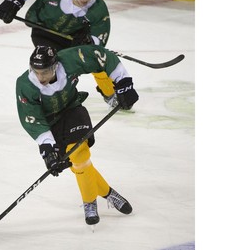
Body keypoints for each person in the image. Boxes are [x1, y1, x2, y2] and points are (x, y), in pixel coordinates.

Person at [16, 44, 139, 225]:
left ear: (55, 66)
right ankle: (108, 193)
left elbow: (101, 56)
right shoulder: (26, 84)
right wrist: (48, 148)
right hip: (50, 124)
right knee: (77, 164)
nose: (40, 76)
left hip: (73, 110)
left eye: (45, 72)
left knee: (79, 155)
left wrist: (123, 83)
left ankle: (89, 203)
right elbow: (31, 118)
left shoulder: (71, 60)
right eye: (36, 71)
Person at [0, 0, 118, 107]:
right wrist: (13, 1)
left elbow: (100, 36)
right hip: (44, 31)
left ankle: (110, 94)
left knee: (95, 62)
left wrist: (89, 42)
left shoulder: (98, 8)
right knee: (56, 66)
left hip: (73, 37)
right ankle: (64, 98)